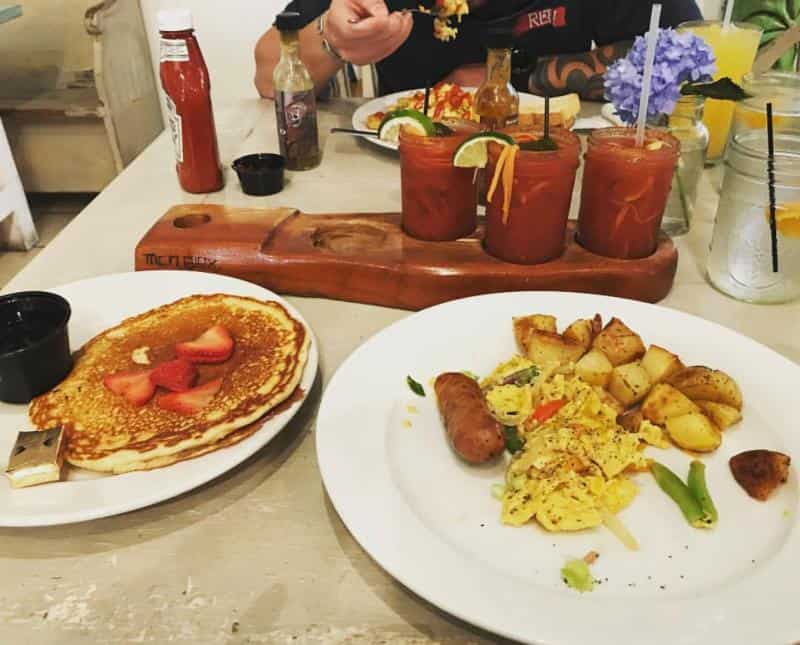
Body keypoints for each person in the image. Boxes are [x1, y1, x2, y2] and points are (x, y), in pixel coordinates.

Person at [254, 0, 702, 100]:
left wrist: (509, 77)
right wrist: (333, 41)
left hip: (551, 163)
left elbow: (690, 54)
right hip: (400, 172)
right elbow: (267, 75)